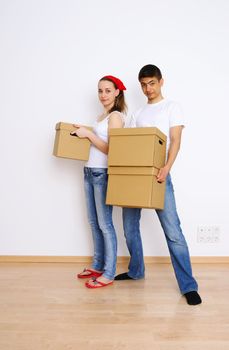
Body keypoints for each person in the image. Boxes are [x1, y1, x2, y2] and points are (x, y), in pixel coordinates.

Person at [115, 64, 202, 305]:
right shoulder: (139, 113)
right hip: (136, 176)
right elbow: (132, 144)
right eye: (143, 85)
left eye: (151, 83)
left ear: (161, 81)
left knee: (173, 232)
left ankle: (188, 286)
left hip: (160, 175)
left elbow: (175, 139)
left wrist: (166, 168)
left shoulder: (172, 107)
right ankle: (136, 271)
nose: (147, 89)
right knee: (130, 227)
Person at [71, 75, 127, 289]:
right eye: (100, 91)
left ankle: (109, 272)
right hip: (89, 172)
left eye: (107, 91)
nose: (103, 95)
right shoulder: (101, 116)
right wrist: (83, 132)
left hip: (102, 174)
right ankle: (97, 264)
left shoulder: (116, 116)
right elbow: (97, 143)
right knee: (94, 223)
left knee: (105, 224)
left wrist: (88, 134)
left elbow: (113, 150)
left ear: (117, 92)